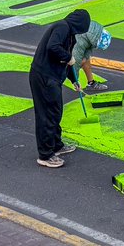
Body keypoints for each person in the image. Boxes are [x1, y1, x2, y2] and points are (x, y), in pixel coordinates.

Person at [28, 9, 91, 168]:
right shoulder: (62, 27)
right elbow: (53, 47)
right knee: (47, 114)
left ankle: (56, 144)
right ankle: (45, 155)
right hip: (43, 76)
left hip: (53, 77)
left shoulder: (70, 34)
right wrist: (68, 57)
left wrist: (73, 79)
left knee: (55, 111)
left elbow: (66, 60)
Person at [72, 21, 113, 91]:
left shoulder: (95, 31)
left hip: (79, 38)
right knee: (69, 65)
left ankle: (91, 83)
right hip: (63, 45)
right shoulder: (80, 43)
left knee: (85, 60)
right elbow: (75, 62)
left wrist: (85, 58)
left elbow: (88, 48)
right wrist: (75, 81)